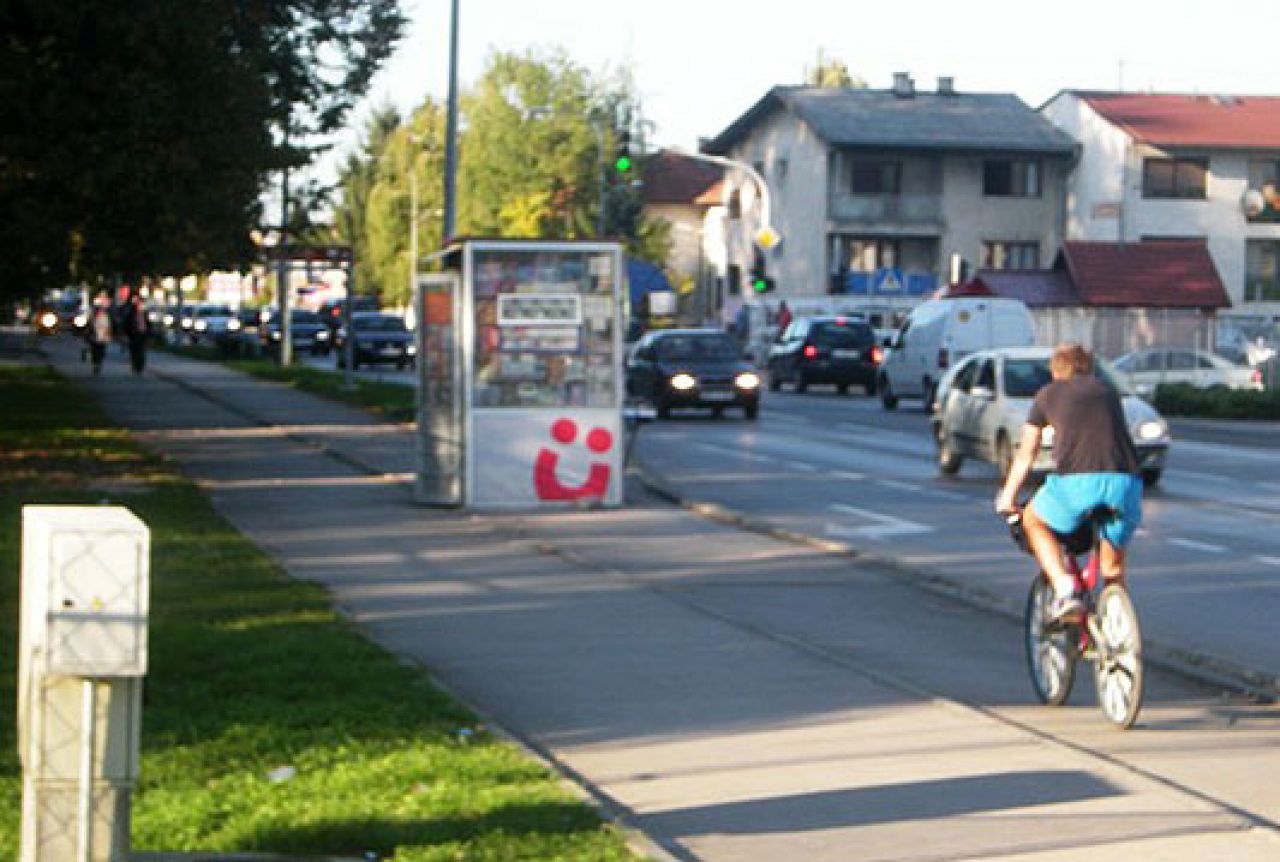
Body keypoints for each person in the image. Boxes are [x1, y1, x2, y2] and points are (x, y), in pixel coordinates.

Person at [994, 344, 1144, 622]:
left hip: (1077, 485)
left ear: (1055, 371)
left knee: (1033, 519)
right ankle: (1118, 640)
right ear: (1089, 368)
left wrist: (1007, 497)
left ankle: (1066, 588)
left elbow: (1026, 454)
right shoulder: (1108, 392)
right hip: (1126, 484)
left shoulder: (1047, 395)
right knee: (1112, 572)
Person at [121, 293, 150, 374]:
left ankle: (140, 366)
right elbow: (126, 324)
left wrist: (149, 334)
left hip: (142, 334)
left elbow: (148, 324)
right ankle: (135, 365)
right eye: (138, 303)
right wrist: (126, 334)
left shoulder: (144, 313)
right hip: (133, 335)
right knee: (134, 351)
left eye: (140, 303)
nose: (140, 305)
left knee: (141, 351)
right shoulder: (130, 312)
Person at [84, 293, 113, 375]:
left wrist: (108, 334)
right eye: (98, 309)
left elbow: (109, 326)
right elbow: (89, 326)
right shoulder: (92, 317)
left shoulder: (106, 316)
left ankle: (98, 363)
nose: (99, 310)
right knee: (95, 351)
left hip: (103, 337)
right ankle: (96, 364)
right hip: (94, 337)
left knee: (101, 351)